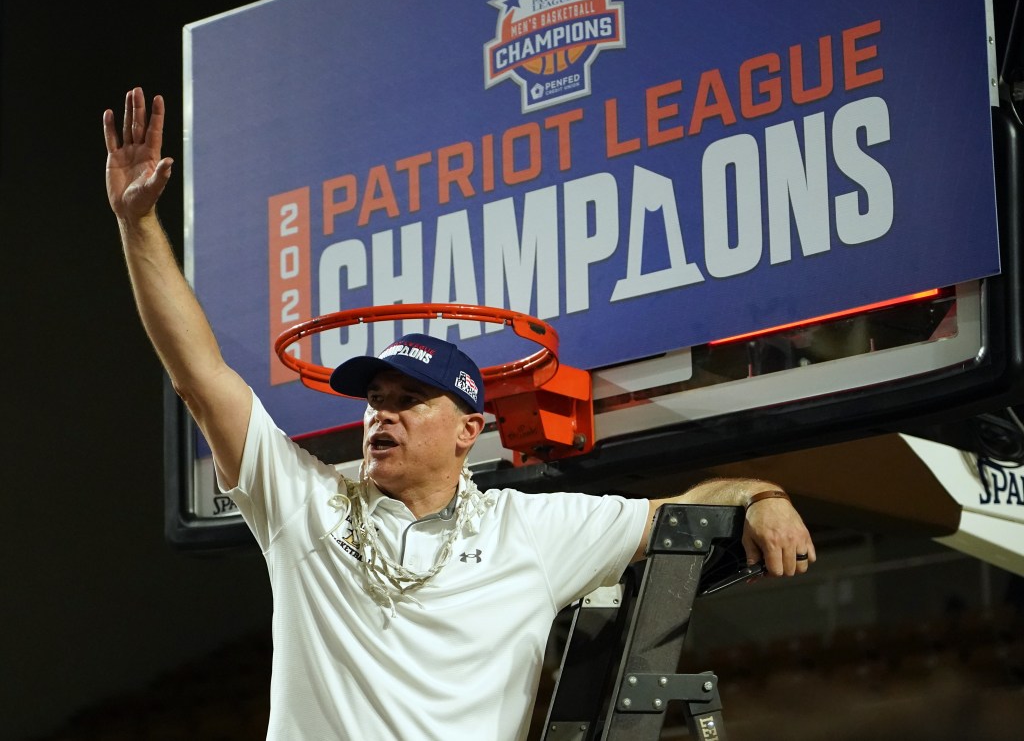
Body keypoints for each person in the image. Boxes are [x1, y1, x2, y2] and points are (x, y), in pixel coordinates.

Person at [104, 86, 816, 741]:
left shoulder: (527, 531)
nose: (382, 415)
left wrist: (762, 496)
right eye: (376, 400)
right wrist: (137, 225)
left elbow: (680, 512)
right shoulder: (306, 504)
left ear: (469, 431)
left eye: (409, 401)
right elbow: (201, 379)